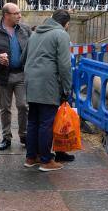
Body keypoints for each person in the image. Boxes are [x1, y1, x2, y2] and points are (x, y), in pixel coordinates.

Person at [21, 10, 73, 171]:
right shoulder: (61, 34)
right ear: (66, 24)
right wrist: (66, 87)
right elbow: (65, 65)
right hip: (48, 83)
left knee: (33, 121)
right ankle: (46, 160)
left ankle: (31, 157)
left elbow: (23, 58)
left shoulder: (35, 34)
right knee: (46, 123)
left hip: (31, 82)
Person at [0, 3, 30, 151]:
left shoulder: (25, 30)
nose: (20, 16)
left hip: (22, 74)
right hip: (3, 76)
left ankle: (24, 135)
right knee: (5, 108)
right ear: (6, 15)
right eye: (16, 13)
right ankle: (6, 137)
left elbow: (32, 49)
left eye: (20, 13)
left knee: (23, 105)